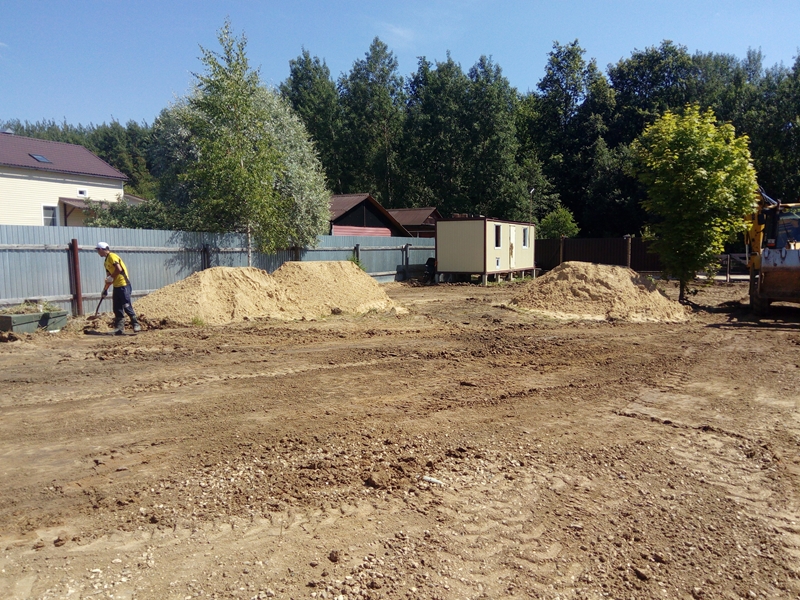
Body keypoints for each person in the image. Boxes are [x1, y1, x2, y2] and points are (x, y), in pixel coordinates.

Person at [95, 242, 141, 334]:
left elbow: (119, 269)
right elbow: (109, 278)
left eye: (98, 250)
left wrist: (111, 277)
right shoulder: (106, 262)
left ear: (101, 249)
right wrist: (105, 289)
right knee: (117, 308)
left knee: (126, 305)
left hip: (124, 285)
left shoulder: (112, 256)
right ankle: (119, 328)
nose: (97, 252)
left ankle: (136, 324)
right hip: (116, 286)